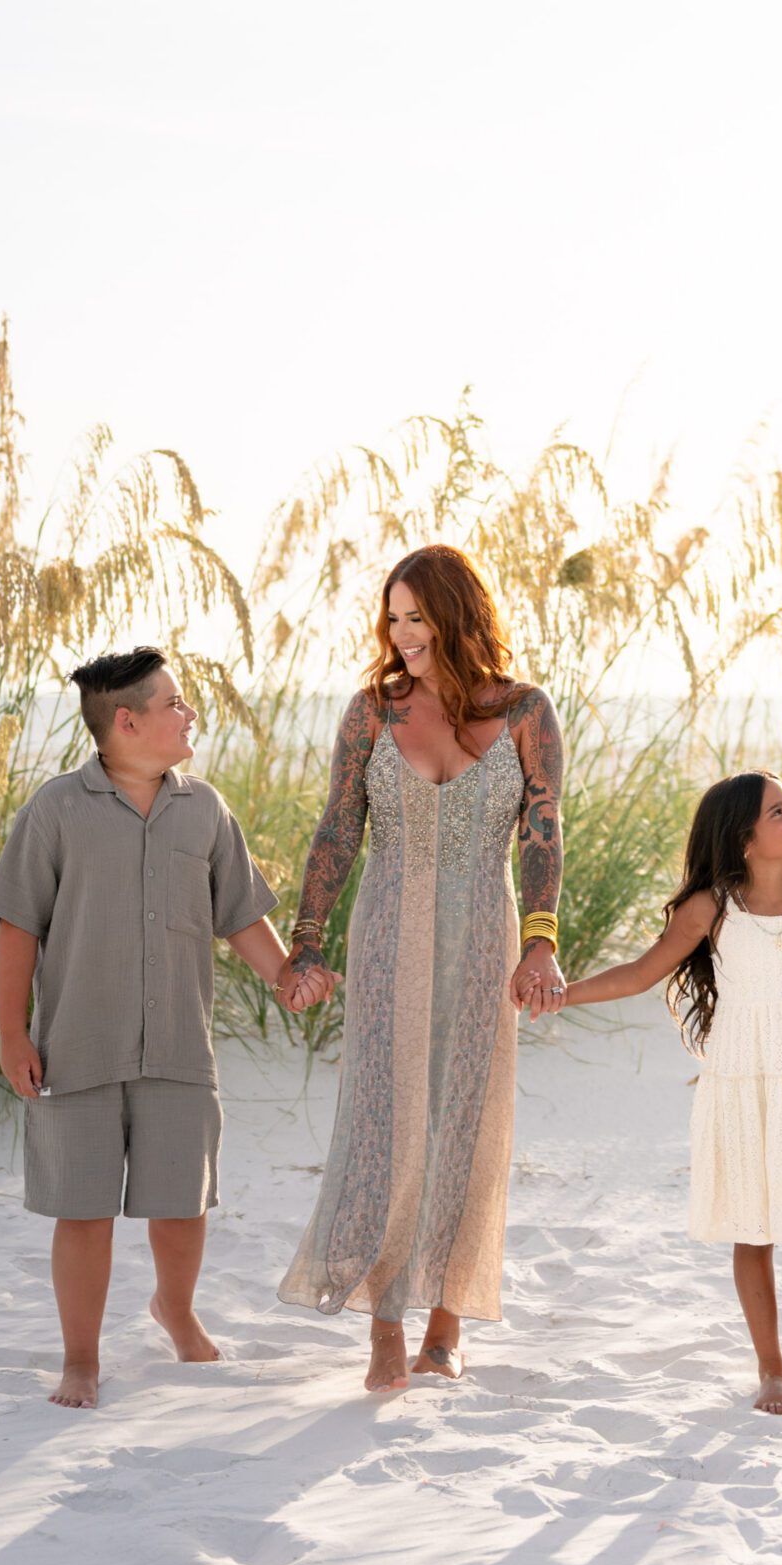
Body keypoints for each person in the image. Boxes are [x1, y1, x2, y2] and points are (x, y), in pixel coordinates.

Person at [275, 546, 566, 1392]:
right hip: (384, 934)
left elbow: (542, 830)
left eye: (416, 617)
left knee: (467, 1118)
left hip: (484, 932)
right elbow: (337, 829)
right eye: (392, 619)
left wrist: (541, 940)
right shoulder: (373, 711)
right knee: (382, 1119)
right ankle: (383, 1321)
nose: (402, 635)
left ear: (457, 614)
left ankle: (446, 1321)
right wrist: (308, 938)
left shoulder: (525, 711)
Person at [0, 647, 291, 1410]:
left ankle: (175, 1310)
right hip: (77, 1050)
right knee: (82, 1209)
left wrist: (287, 978)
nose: (190, 715)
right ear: (127, 721)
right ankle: (80, 1359)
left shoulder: (205, 809)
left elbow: (241, 915)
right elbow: (17, 926)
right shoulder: (55, 809)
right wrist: (12, 1035)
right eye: (176, 704)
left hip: (180, 1048)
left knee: (181, 1203)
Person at [563, 772, 782, 1416]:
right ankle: (770, 1368)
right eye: (777, 811)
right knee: (752, 1229)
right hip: (742, 1081)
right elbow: (642, 973)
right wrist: (561, 994)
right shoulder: (710, 908)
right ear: (744, 838)